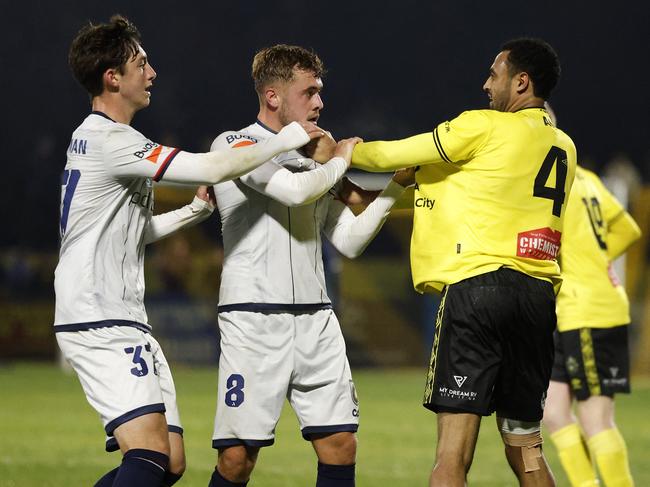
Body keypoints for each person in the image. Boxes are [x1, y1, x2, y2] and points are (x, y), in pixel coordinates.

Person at [56, 16, 322, 487]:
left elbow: (129, 234)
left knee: (171, 462)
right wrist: (285, 139)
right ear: (112, 77)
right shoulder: (110, 140)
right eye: (141, 63)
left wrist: (194, 213)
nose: (152, 73)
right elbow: (213, 164)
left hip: (119, 314)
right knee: (150, 456)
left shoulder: (98, 140)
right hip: (98, 316)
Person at [350, 38, 577, 486]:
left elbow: (394, 154)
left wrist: (344, 152)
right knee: (526, 449)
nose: (486, 84)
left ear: (521, 81)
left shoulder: (485, 127)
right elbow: (480, 188)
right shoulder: (565, 146)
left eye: (495, 74)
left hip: (478, 291)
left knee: (451, 456)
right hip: (535, 298)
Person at [207, 44, 413, 487]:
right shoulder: (236, 145)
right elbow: (294, 193)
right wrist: (340, 158)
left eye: (320, 91)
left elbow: (350, 240)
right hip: (254, 320)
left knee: (340, 444)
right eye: (309, 91)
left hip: (317, 319)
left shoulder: (311, 162)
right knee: (238, 460)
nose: (319, 102)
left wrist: (395, 187)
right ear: (273, 96)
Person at [542, 107, 641, 487]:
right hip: (573, 309)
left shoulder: (553, 181)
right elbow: (627, 229)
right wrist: (602, 261)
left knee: (596, 420)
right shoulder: (585, 176)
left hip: (588, 311)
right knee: (553, 411)